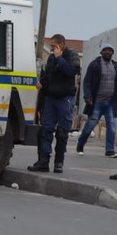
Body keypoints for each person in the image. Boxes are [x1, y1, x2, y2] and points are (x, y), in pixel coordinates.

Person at [29, 34, 81, 173]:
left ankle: (59, 163)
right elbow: (48, 76)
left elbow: (71, 72)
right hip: (51, 98)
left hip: (65, 98)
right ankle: (43, 161)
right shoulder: (51, 58)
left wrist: (60, 58)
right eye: (51, 46)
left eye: (54, 46)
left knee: (62, 132)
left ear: (62, 44)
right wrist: (42, 84)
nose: (52, 49)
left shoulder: (72, 55)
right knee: (45, 130)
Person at [77, 43, 117, 158]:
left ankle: (109, 150)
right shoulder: (95, 65)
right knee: (90, 125)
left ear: (113, 53)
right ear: (101, 52)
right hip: (97, 102)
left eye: (110, 50)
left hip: (110, 103)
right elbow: (86, 82)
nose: (107, 52)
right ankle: (81, 144)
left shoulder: (116, 66)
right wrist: (88, 96)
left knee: (112, 126)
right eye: (105, 50)